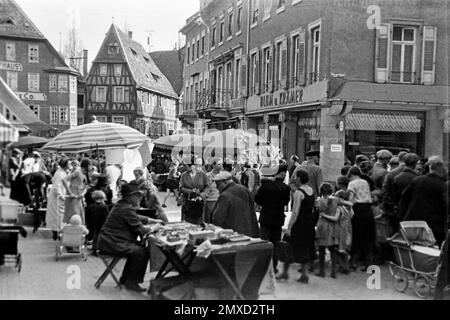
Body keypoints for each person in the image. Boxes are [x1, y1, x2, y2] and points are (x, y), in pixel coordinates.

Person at [97, 182, 164, 292]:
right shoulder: (126, 208)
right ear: (130, 196)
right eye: (137, 195)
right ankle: (131, 282)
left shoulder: (122, 205)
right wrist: (155, 227)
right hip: (112, 242)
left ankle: (126, 279)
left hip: (111, 240)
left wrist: (153, 220)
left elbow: (136, 217)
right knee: (142, 252)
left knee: (139, 249)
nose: (139, 197)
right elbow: (141, 229)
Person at [401, 156, 448, 246]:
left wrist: (403, 217)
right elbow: (446, 205)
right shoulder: (442, 186)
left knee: (413, 248)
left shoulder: (417, 180)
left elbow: (404, 198)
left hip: (412, 223)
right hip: (433, 226)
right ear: (441, 169)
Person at [254, 164, 291, 274]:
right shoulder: (286, 188)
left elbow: (258, 200)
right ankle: (274, 267)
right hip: (278, 219)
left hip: (266, 218)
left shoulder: (265, 186)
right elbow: (285, 202)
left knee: (265, 243)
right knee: (276, 243)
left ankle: (264, 266)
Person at [281, 169, 316, 283]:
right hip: (309, 222)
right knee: (305, 246)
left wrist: (289, 228)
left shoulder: (298, 192)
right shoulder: (311, 190)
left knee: (288, 244)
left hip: (299, 222)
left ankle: (285, 272)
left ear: (300, 178)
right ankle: (304, 274)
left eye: (295, 177)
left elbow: (295, 212)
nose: (294, 179)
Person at [212, 171, 260, 238]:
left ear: (225, 182)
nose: (217, 187)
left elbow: (218, 218)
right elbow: (252, 209)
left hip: (233, 234)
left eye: (218, 184)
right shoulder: (245, 189)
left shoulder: (225, 195)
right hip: (249, 230)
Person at [347, 166, 375, 271]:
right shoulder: (365, 182)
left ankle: (352, 262)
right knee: (368, 237)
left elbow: (351, 199)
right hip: (368, 210)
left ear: (351, 174)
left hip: (358, 210)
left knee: (356, 236)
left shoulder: (352, 183)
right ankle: (370, 263)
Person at [315, 183, 340, 278]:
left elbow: (317, 210)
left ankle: (322, 271)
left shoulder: (319, 201)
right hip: (332, 226)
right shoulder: (336, 200)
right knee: (333, 249)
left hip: (322, 225)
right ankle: (334, 271)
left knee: (321, 249)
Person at [46, 159, 74, 241]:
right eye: (69, 164)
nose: (70, 165)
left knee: (59, 215)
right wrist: (62, 197)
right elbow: (56, 187)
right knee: (57, 215)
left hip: (60, 195)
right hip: (57, 197)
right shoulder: (59, 174)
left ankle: (57, 232)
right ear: (65, 165)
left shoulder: (62, 172)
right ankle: (56, 234)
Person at [391, 153, 420, 229]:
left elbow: (394, 195)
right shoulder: (417, 178)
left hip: (400, 209)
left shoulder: (397, 177)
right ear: (414, 164)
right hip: (412, 211)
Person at [179, 160, 208, 225]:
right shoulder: (184, 175)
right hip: (187, 203)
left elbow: (207, 187)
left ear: (192, 166)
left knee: (199, 224)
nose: (184, 167)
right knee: (186, 223)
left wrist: (202, 195)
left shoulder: (202, 174)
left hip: (199, 203)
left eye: (185, 165)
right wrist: (191, 192)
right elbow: (181, 188)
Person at [64, 159, 91, 225]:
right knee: (73, 214)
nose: (91, 166)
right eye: (90, 164)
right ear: (86, 165)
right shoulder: (77, 171)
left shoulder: (86, 173)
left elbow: (86, 186)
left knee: (78, 214)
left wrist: (83, 194)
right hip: (73, 197)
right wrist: (70, 193)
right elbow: (65, 179)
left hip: (79, 197)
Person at [334, 190, 353, 274]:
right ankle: (345, 266)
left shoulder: (339, 209)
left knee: (338, 249)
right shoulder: (348, 209)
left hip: (340, 231)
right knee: (344, 249)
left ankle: (343, 266)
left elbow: (335, 219)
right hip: (347, 231)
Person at [86, 190, 109, 254]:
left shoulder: (91, 206)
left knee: (94, 236)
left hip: (92, 224)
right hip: (102, 223)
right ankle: (98, 249)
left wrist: (87, 222)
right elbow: (107, 216)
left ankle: (94, 248)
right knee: (99, 236)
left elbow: (87, 215)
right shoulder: (105, 207)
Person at [203, 159, 224, 224]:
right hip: (210, 201)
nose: (221, 166)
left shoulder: (223, 175)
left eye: (221, 164)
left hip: (220, 200)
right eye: (219, 164)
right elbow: (204, 189)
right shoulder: (207, 175)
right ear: (214, 165)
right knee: (208, 221)